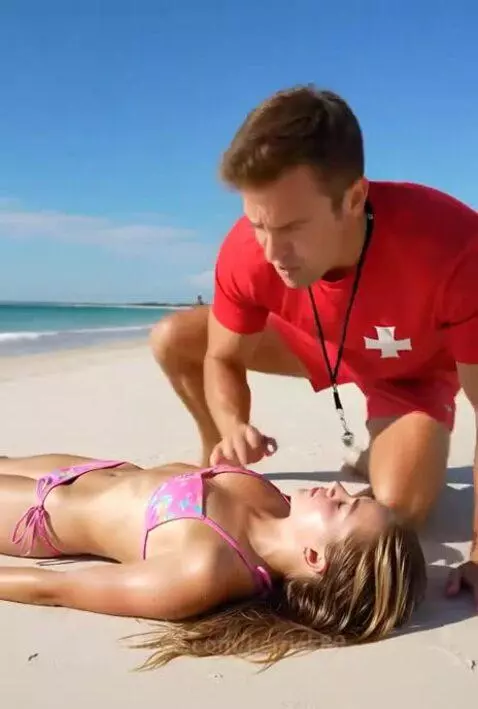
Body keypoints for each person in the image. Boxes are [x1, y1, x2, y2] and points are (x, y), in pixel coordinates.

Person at [149, 85, 478, 607]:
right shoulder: (249, 250)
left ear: (353, 198)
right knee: (175, 338)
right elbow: (223, 356)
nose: (272, 252)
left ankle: (382, 445)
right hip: (314, 341)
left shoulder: (455, 245)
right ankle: (222, 463)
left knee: (396, 513)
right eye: (258, 223)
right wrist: (234, 424)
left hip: (409, 370)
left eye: (292, 227)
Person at [0, 453, 425, 668]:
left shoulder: (203, 571)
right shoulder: (276, 505)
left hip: (35, 514)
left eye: (342, 507)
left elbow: (54, 589)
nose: (336, 487)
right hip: (87, 468)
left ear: (313, 557)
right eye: (352, 495)